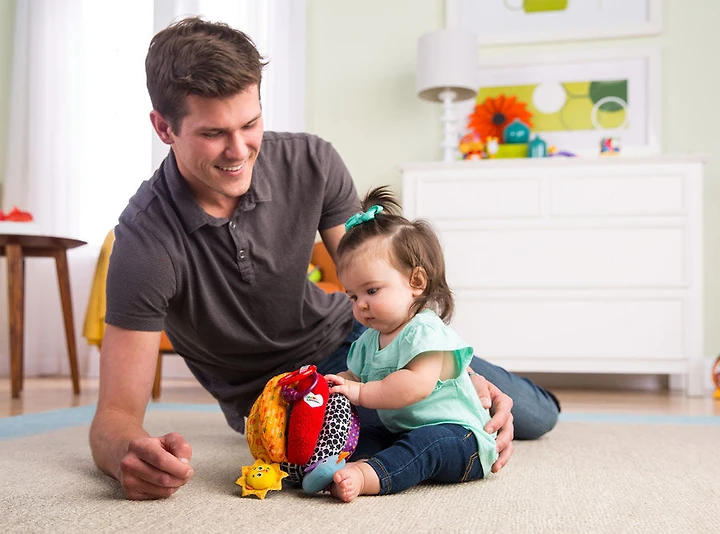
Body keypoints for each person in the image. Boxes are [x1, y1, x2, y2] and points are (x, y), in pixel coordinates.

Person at [89, 16, 560, 501]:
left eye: (250, 123)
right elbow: (114, 416)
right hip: (279, 396)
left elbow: (380, 275)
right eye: (213, 133)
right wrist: (129, 451)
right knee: (400, 438)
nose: (239, 150)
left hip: (364, 339)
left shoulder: (311, 162)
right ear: (164, 127)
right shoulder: (144, 239)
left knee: (532, 415)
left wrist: (450, 368)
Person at [323, 186, 498, 502]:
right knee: (366, 435)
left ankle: (368, 476)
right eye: (353, 296)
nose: (360, 305)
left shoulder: (425, 330)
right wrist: (333, 384)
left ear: (416, 282)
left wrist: (361, 393)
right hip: (402, 430)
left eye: (372, 291)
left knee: (428, 444)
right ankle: (341, 466)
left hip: (461, 437)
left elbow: (414, 385)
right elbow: (354, 377)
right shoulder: (368, 340)